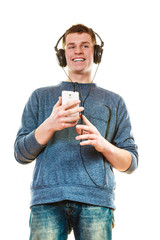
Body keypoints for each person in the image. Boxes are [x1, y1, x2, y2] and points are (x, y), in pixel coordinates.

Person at [14, 24, 138, 240]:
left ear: (96, 53)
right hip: (47, 199)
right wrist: (50, 124)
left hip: (96, 201)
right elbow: (20, 154)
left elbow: (130, 163)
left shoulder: (114, 102)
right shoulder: (39, 97)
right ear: (63, 56)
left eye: (85, 46)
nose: (78, 51)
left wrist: (102, 144)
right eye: (71, 46)